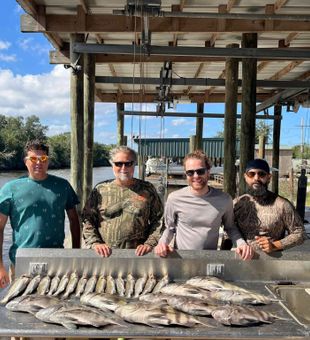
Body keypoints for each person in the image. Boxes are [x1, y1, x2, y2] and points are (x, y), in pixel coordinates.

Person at [0, 140, 80, 288]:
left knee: (55, 306)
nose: (38, 162)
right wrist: (0, 267)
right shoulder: (10, 188)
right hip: (21, 262)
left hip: (57, 261)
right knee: (18, 308)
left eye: (43, 159)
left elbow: (74, 221)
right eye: (33, 159)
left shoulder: (63, 186)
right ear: (25, 161)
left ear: (48, 161)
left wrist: (76, 255)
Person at [154, 150, 253, 260]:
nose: (196, 176)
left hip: (210, 259)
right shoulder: (174, 198)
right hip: (181, 259)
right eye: (190, 173)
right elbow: (169, 228)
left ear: (208, 171)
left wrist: (241, 244)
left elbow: (230, 227)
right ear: (186, 174)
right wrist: (162, 243)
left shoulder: (225, 199)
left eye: (200, 171)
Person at [82, 146, 164, 257]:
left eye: (128, 163)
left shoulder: (147, 189)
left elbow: (159, 220)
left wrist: (149, 243)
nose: (123, 168)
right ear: (112, 164)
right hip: (104, 254)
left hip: (139, 254)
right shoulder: (99, 190)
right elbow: (87, 219)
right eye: (118, 164)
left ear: (134, 164)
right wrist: (95, 243)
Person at [234, 158, 306, 254]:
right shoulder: (236, 204)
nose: (256, 178)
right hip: (240, 260)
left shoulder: (282, 205)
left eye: (261, 174)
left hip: (271, 263)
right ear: (245, 177)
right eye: (251, 174)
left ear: (269, 177)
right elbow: (228, 231)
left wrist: (275, 245)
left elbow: (300, 233)